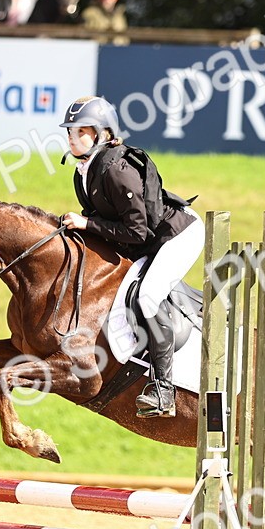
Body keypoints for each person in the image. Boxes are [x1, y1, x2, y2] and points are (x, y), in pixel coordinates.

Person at [58, 96, 202, 418]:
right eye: (69, 131)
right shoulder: (83, 171)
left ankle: (164, 389)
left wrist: (87, 224)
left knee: (148, 298)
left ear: (100, 133)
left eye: (79, 131)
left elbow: (136, 232)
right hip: (148, 240)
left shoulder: (116, 169)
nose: (70, 137)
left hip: (177, 236)